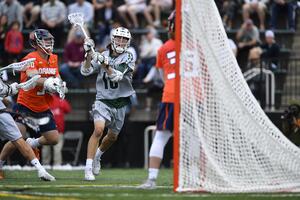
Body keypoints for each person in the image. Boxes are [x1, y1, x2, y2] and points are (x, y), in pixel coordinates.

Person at [0, 29, 67, 167]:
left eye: (50, 40)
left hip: (43, 106)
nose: (49, 42)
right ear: (35, 43)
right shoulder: (30, 57)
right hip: (26, 104)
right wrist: (48, 82)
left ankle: (33, 143)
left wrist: (60, 84)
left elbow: (57, 76)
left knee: (54, 139)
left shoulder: (53, 57)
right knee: (17, 136)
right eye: (45, 40)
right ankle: (0, 163)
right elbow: (32, 74)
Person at [81, 27, 135, 181]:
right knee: (98, 130)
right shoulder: (102, 55)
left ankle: (98, 156)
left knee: (112, 137)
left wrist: (105, 64)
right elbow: (85, 71)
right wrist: (88, 55)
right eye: (119, 38)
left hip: (119, 102)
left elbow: (116, 76)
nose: (121, 41)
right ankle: (88, 169)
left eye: (124, 39)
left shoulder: (129, 57)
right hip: (102, 100)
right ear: (113, 39)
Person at [138, 11, 176, 189]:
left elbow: (163, 77)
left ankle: (152, 179)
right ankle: (196, 177)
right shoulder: (197, 46)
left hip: (171, 95)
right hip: (193, 97)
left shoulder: (164, 48)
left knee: (160, 137)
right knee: (193, 139)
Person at [0, 61, 55, 181]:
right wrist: (14, 88)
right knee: (18, 139)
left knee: (18, 139)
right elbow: (5, 93)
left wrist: (12, 88)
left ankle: (41, 170)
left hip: (2, 110)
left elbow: (6, 97)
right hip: (11, 109)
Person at [42, 94, 71, 166]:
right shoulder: (60, 100)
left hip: (47, 129)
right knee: (57, 148)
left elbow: (68, 110)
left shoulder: (44, 100)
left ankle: (46, 164)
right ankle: (57, 164)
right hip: (57, 129)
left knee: (46, 147)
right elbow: (68, 110)